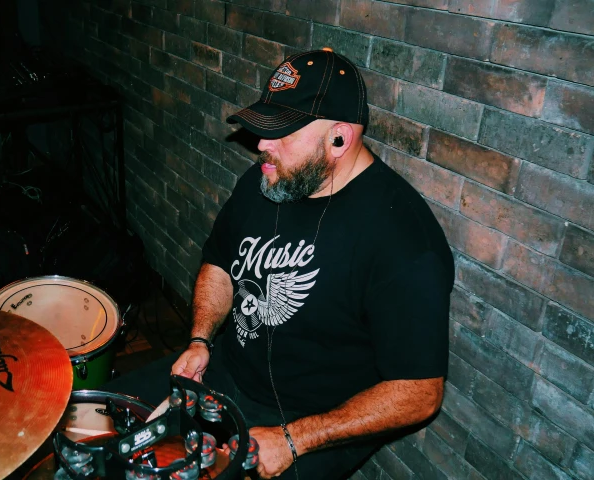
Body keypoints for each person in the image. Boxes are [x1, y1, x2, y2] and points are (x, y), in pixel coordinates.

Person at [106, 49, 454, 479]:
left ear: (339, 138)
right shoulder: (266, 180)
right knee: (105, 430)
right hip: (226, 372)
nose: (261, 146)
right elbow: (219, 262)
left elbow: (420, 392)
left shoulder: (402, 237)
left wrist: (294, 439)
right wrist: (200, 340)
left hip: (313, 421)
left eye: (281, 132)